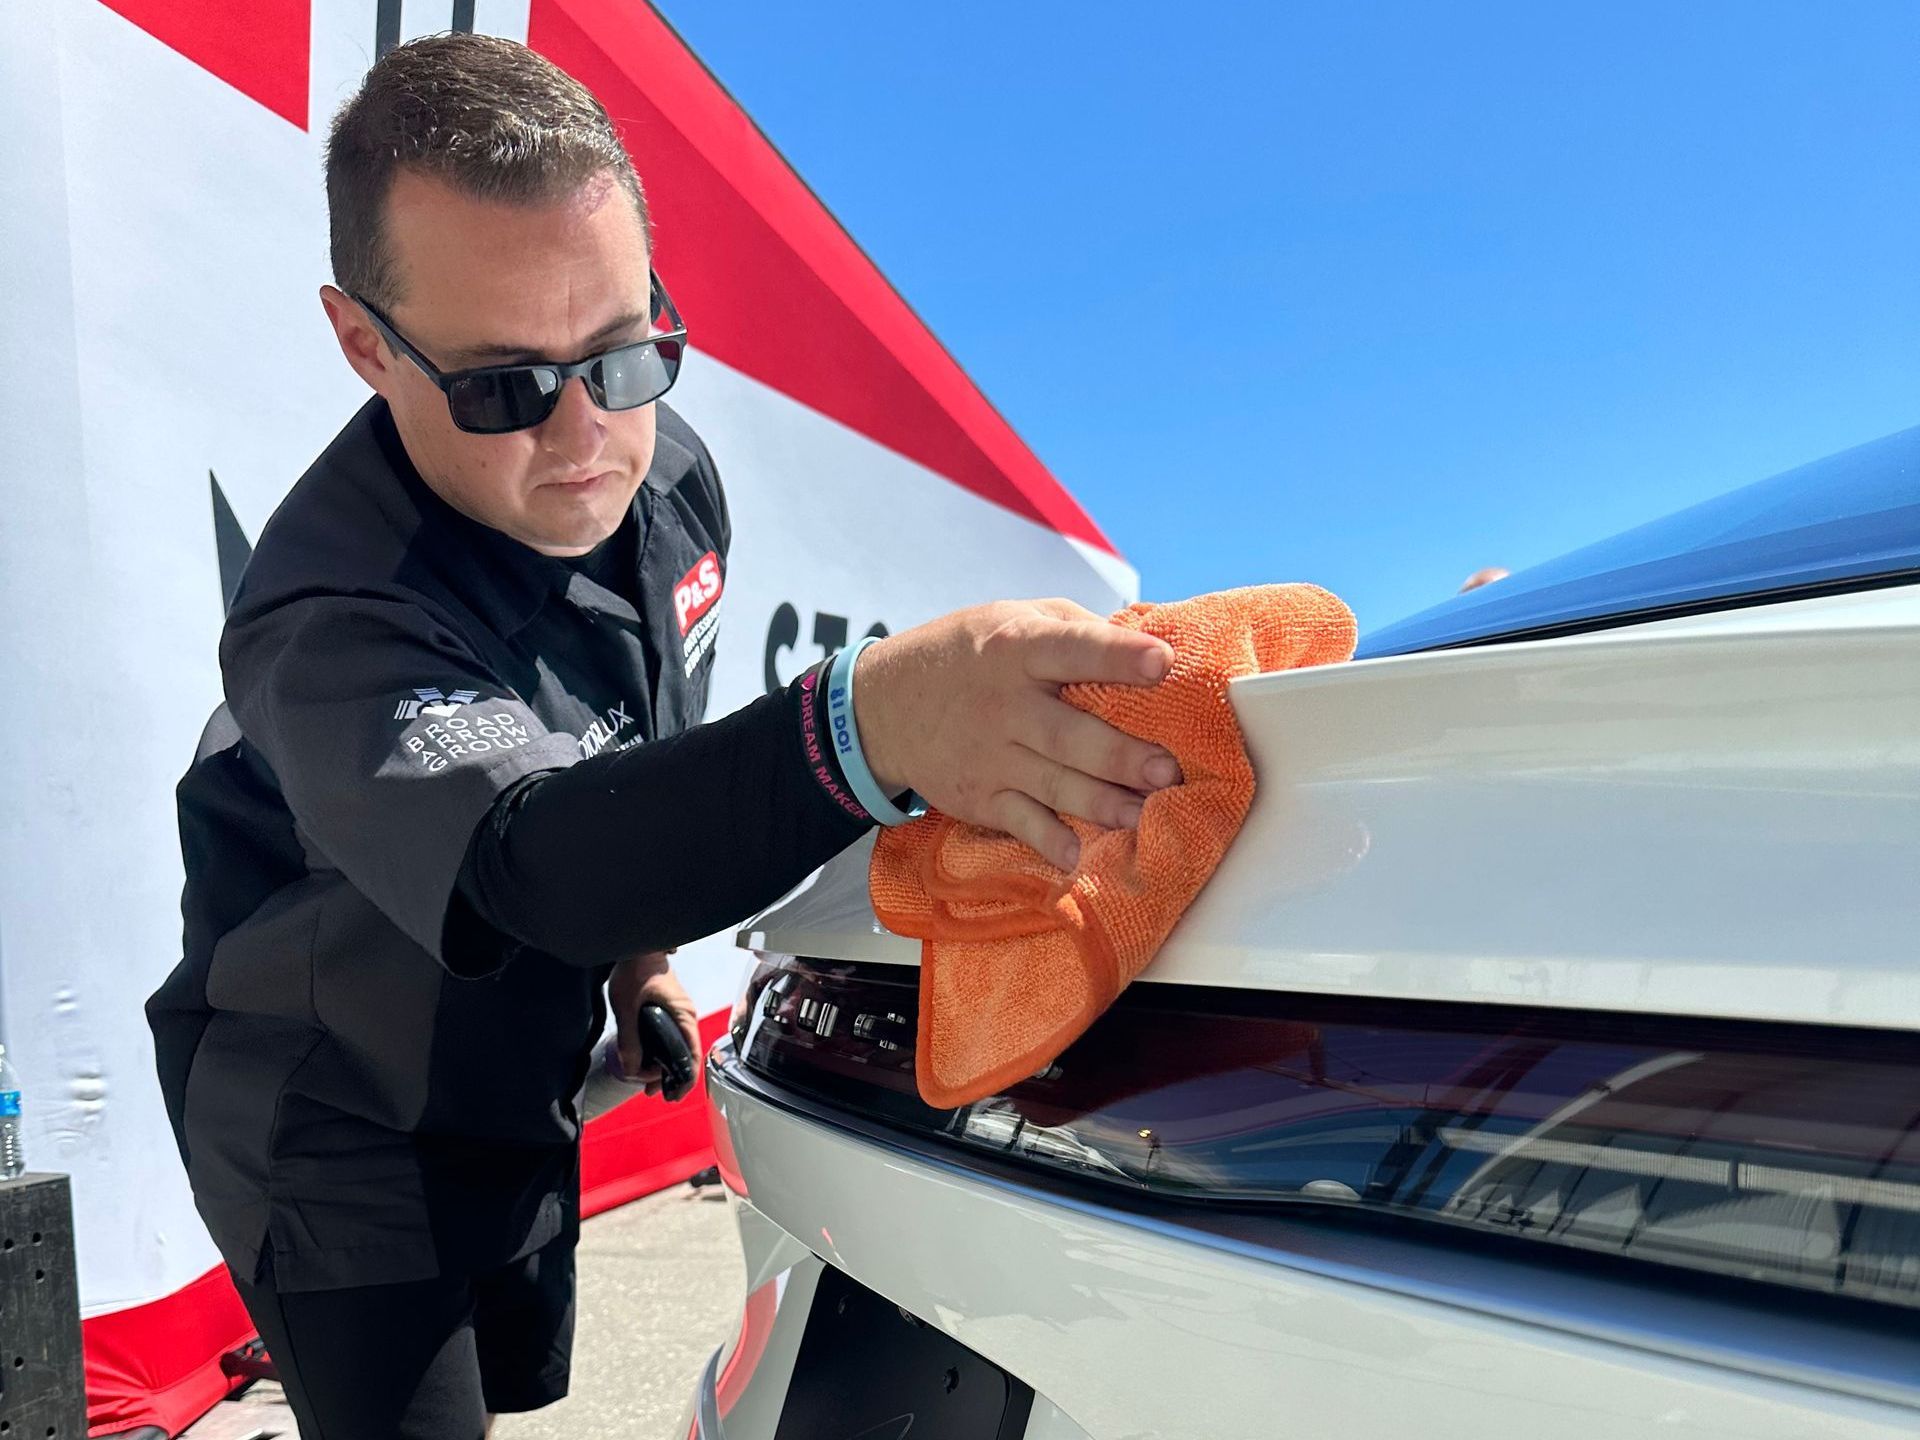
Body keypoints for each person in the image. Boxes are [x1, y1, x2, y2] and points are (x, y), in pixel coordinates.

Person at [145, 31, 1180, 1440]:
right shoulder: (326, 609)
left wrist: (639, 963)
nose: (587, 440)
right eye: (506, 387)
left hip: (507, 1079)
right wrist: (862, 725)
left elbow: (642, 732)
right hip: (330, 1118)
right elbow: (524, 861)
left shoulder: (668, 473)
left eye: (626, 353)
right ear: (363, 344)